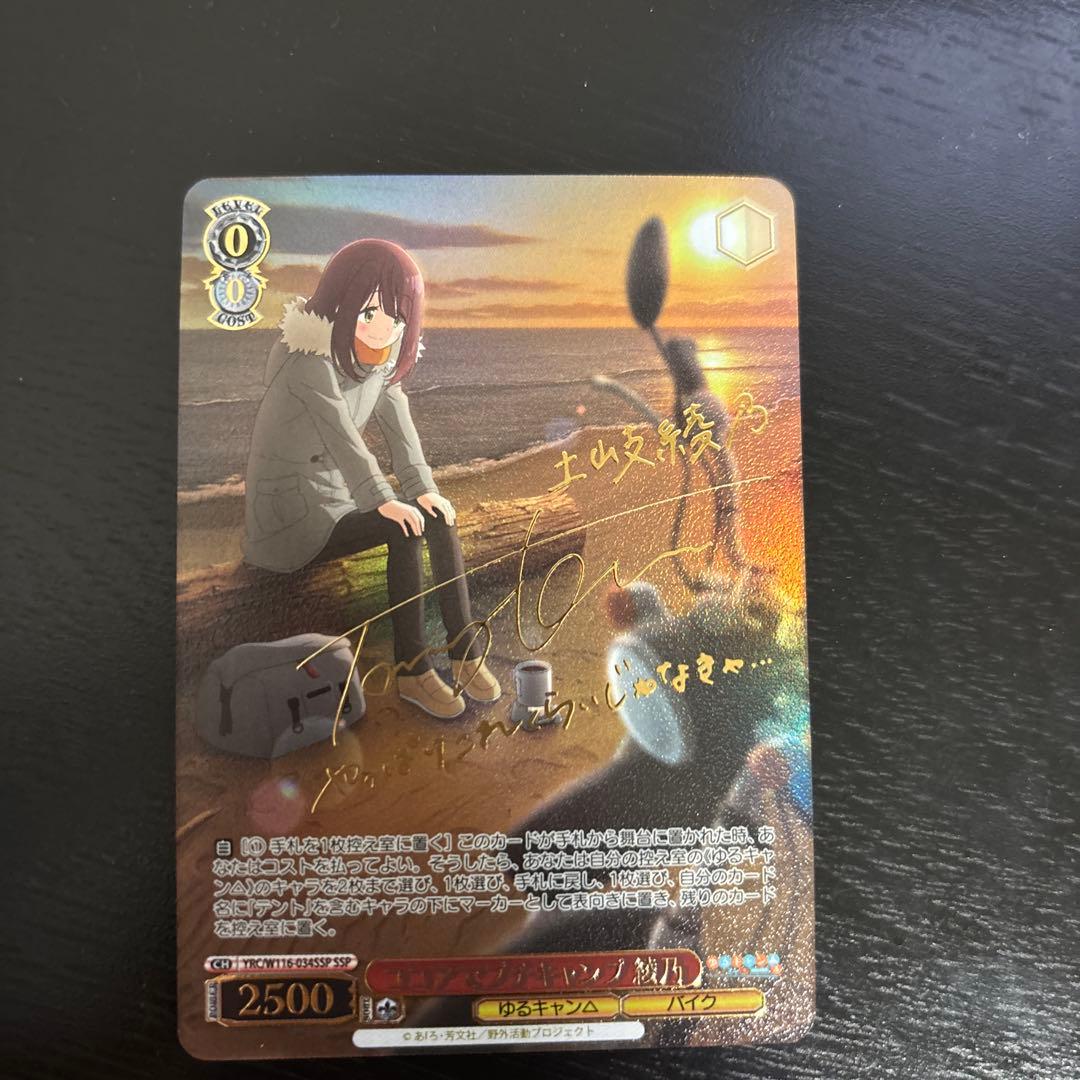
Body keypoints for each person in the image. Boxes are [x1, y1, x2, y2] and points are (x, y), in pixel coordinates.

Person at [241, 238, 500, 719]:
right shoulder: (307, 359)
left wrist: (424, 490)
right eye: (370, 312)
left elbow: (401, 432)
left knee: (436, 517)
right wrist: (383, 498)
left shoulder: (378, 360)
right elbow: (343, 437)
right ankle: (414, 671)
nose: (384, 327)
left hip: (336, 502)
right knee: (403, 528)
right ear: (340, 300)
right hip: (289, 514)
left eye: (397, 316)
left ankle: (464, 653)